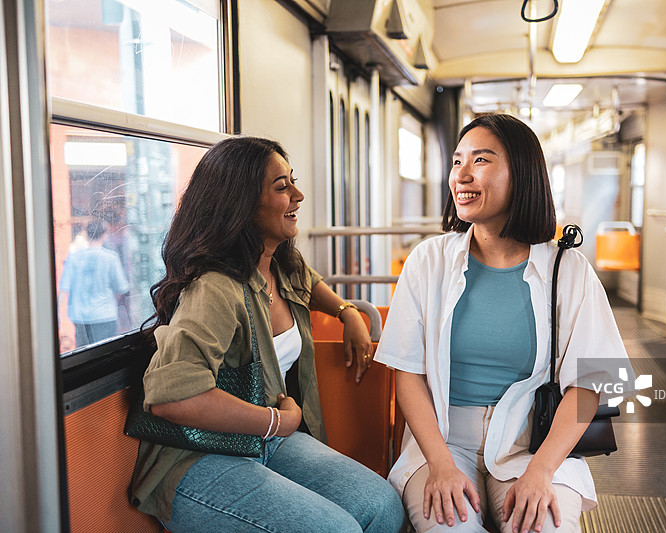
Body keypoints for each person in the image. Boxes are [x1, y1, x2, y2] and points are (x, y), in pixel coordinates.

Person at [128, 136, 405, 533]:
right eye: (282, 187)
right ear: (240, 204)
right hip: (198, 456)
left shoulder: (278, 262)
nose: (299, 194)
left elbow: (308, 284)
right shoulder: (215, 288)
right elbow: (172, 397)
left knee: (382, 507)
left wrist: (349, 314)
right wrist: (277, 422)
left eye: (293, 181)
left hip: (263, 440)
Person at [375, 114, 633, 533]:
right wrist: (440, 465)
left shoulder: (568, 270)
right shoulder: (429, 261)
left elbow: (589, 383)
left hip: (533, 444)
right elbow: (407, 373)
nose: (462, 174)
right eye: (457, 162)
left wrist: (542, 471)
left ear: (523, 175)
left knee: (543, 527)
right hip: (440, 441)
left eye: (481, 160)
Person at [58, 219, 129, 349]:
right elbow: (122, 287)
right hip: (104, 315)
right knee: (105, 355)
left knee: (83, 357)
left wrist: (57, 314)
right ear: (104, 235)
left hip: (80, 317)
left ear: (87, 234)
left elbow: (64, 287)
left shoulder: (73, 257)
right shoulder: (110, 258)